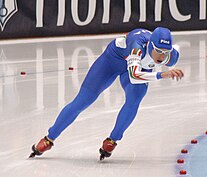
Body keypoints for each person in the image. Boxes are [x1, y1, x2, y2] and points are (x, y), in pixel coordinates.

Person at [29, 27, 184, 160]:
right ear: (150, 45)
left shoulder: (170, 56)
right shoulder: (137, 46)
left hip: (137, 68)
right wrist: (161, 75)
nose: (161, 57)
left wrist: (166, 65)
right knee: (83, 101)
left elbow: (174, 50)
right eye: (158, 51)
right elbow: (134, 76)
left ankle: (112, 140)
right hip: (112, 61)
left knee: (135, 99)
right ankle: (49, 138)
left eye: (165, 52)